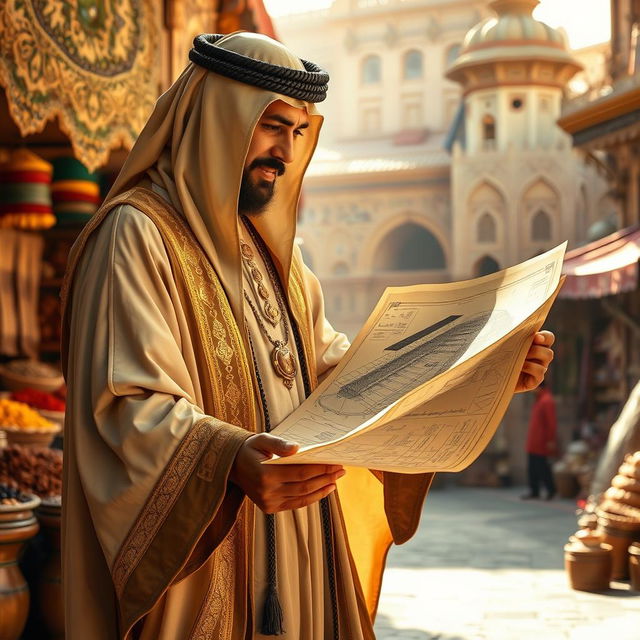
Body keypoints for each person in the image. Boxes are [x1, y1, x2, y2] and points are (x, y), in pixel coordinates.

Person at [60, 32, 555, 640]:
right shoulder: (137, 234)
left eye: (299, 132)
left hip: (298, 542)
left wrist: (484, 372)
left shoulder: (276, 259)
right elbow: (122, 407)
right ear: (219, 120)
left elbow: (341, 383)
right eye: (271, 126)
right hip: (205, 554)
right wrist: (229, 460)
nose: (286, 152)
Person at [522, 380, 558, 500]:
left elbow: (551, 423)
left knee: (543, 468)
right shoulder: (539, 400)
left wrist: (550, 440)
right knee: (533, 467)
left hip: (541, 442)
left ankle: (551, 490)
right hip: (534, 442)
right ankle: (534, 491)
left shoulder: (547, 401)